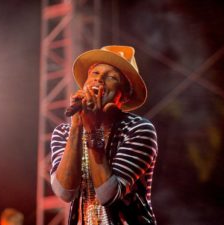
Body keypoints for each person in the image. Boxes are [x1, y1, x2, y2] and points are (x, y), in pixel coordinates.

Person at [50, 45, 158, 225]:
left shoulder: (138, 129)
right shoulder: (63, 132)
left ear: (124, 96)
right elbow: (64, 193)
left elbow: (108, 194)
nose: (99, 80)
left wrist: (93, 129)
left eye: (112, 77)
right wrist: (77, 126)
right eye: (95, 73)